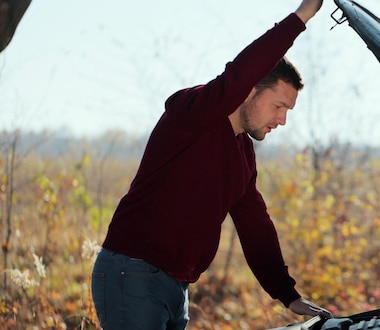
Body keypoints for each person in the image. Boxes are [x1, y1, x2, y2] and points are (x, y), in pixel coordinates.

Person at [90, 1, 332, 328]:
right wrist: (302, 16)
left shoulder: (243, 153)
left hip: (176, 287)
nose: (282, 119)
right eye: (278, 105)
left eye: (287, 110)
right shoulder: (194, 113)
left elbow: (255, 225)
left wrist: (288, 294)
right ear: (249, 90)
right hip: (132, 272)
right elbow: (240, 72)